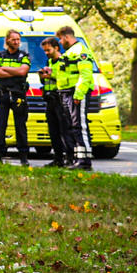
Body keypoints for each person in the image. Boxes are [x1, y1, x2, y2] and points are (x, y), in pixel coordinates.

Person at [52, 25, 99, 170]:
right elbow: (66, 74)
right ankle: (79, 159)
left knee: (80, 126)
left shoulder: (81, 51)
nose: (60, 42)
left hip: (76, 94)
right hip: (67, 93)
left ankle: (85, 161)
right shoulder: (70, 52)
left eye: (60, 39)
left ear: (66, 37)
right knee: (74, 127)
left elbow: (85, 76)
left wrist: (78, 95)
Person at [0, 29, 33, 164]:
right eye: (14, 40)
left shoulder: (24, 55)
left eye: (18, 40)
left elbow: (23, 71)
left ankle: (23, 157)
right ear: (7, 40)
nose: (17, 42)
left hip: (18, 95)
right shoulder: (0, 55)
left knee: (21, 126)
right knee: (0, 125)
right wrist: (15, 72)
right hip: (3, 94)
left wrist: (5, 69)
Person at [36, 36, 70, 167]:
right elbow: (47, 81)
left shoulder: (64, 61)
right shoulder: (49, 62)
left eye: (48, 50)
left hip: (61, 99)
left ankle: (68, 158)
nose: (46, 53)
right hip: (50, 100)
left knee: (64, 130)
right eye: (44, 51)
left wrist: (51, 76)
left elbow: (66, 78)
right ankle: (58, 159)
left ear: (56, 48)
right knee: (53, 131)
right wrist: (42, 77)